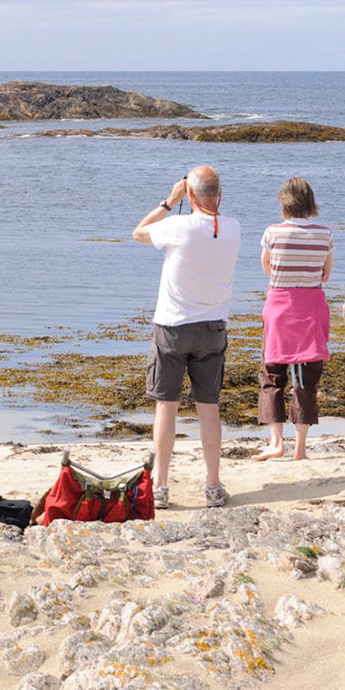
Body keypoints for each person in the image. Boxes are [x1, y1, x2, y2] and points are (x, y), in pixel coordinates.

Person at [132, 165, 241, 510]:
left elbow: (139, 232)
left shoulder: (179, 226)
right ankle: (212, 485)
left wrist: (169, 201)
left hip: (173, 327)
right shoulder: (233, 228)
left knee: (167, 407)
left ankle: (161, 486)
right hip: (212, 328)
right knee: (209, 409)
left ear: (191, 195)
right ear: (219, 195)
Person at [256, 177, 332, 461]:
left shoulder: (273, 232)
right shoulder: (324, 233)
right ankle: (300, 448)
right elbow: (326, 274)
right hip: (310, 308)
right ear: (310, 203)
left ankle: (276, 442)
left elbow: (266, 266)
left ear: (284, 203)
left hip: (279, 307)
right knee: (306, 379)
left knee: (272, 375)